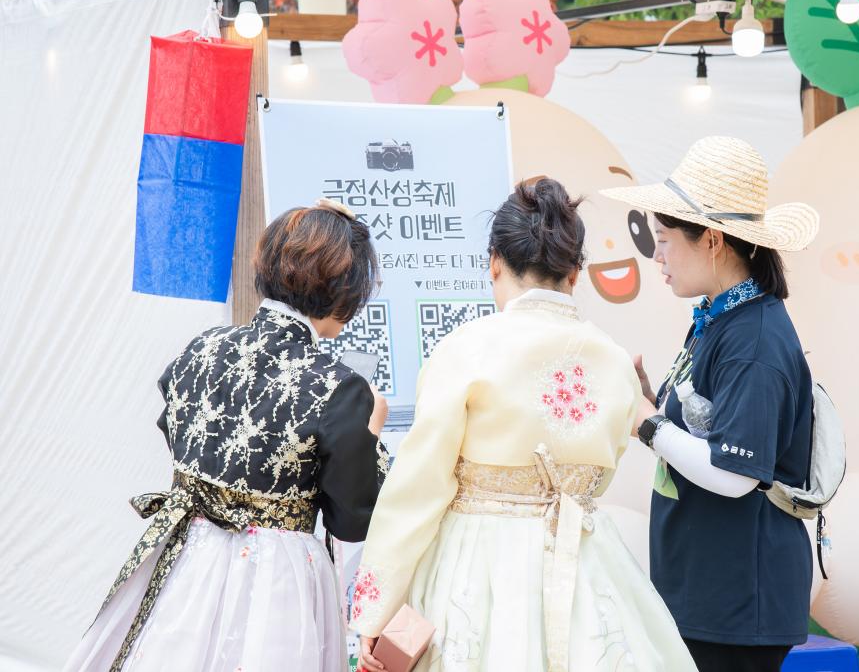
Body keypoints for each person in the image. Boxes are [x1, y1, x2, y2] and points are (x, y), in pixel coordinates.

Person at [351, 178, 696, 672]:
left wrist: (374, 611)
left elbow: (418, 488)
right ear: (575, 273)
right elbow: (604, 468)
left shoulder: (466, 348)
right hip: (585, 561)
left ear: (494, 262)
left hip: (478, 563)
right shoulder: (614, 360)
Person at [65, 199, 387, 672]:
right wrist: (372, 437)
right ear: (343, 292)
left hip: (187, 556)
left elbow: (175, 430)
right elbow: (351, 519)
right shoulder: (340, 387)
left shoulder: (203, 348)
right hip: (278, 577)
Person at [600, 136, 820, 672]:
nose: (656, 257)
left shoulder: (755, 339)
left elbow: (735, 475)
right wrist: (652, 402)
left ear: (714, 241)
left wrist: (648, 424)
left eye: (665, 240)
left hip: (737, 602)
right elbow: (706, 433)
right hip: (710, 590)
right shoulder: (723, 318)